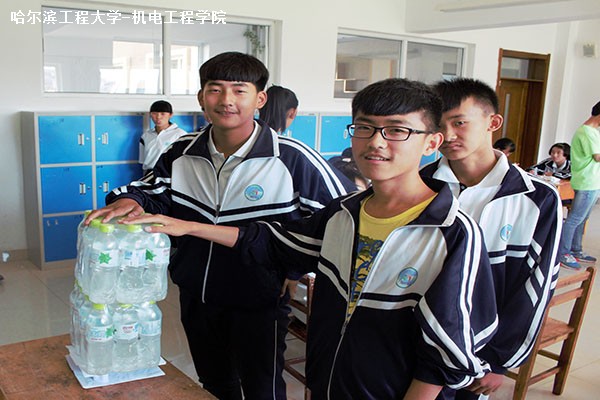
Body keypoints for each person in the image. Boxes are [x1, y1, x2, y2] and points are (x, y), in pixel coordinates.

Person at [121, 78, 499, 400]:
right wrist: (189, 227)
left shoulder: (450, 232)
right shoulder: (343, 215)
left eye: (397, 130)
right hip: (329, 383)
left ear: (432, 143)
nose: (376, 142)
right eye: (364, 128)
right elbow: (272, 241)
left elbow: (445, 353)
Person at [86, 52, 355, 400]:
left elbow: (340, 221)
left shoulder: (291, 157)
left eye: (239, 90)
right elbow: (153, 190)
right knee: (214, 384)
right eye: (215, 89)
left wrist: (294, 266)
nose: (227, 100)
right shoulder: (183, 150)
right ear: (202, 97)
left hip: (260, 300)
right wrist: (132, 200)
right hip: (196, 294)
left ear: (260, 99)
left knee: (262, 390)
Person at [420, 78, 562, 400]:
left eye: (459, 122)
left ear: (493, 122)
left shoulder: (536, 197)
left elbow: (536, 285)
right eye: (439, 125)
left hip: (481, 352)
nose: (448, 135)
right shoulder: (421, 185)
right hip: (418, 341)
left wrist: (499, 360)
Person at [556, 101, 600, 269]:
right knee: (574, 219)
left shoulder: (593, 131)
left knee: (582, 218)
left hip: (592, 181)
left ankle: (576, 250)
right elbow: (597, 157)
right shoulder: (586, 132)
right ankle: (563, 253)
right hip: (586, 182)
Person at [139, 100, 188, 172]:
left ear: (170, 115)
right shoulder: (145, 136)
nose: (158, 117)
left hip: (170, 173)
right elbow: (143, 161)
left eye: (163, 114)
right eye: (154, 113)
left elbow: (185, 160)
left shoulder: (180, 135)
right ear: (150, 114)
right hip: (149, 173)